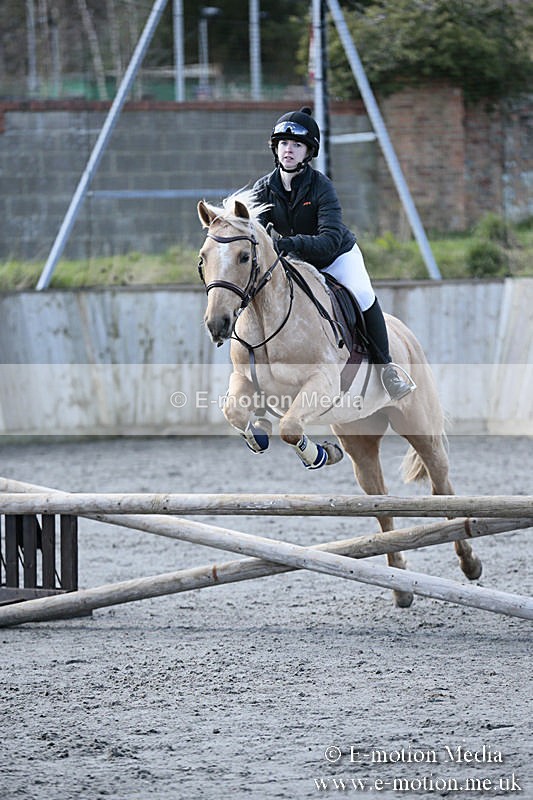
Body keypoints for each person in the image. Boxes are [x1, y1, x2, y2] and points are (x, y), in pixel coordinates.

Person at [252, 106, 413, 402]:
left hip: (336, 258)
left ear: (307, 152)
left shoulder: (321, 186)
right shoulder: (263, 188)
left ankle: (386, 368)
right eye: (284, 143)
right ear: (275, 148)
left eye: (297, 145)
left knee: (363, 295)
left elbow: (328, 240)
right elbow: (256, 240)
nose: (289, 150)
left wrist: (291, 244)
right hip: (294, 262)